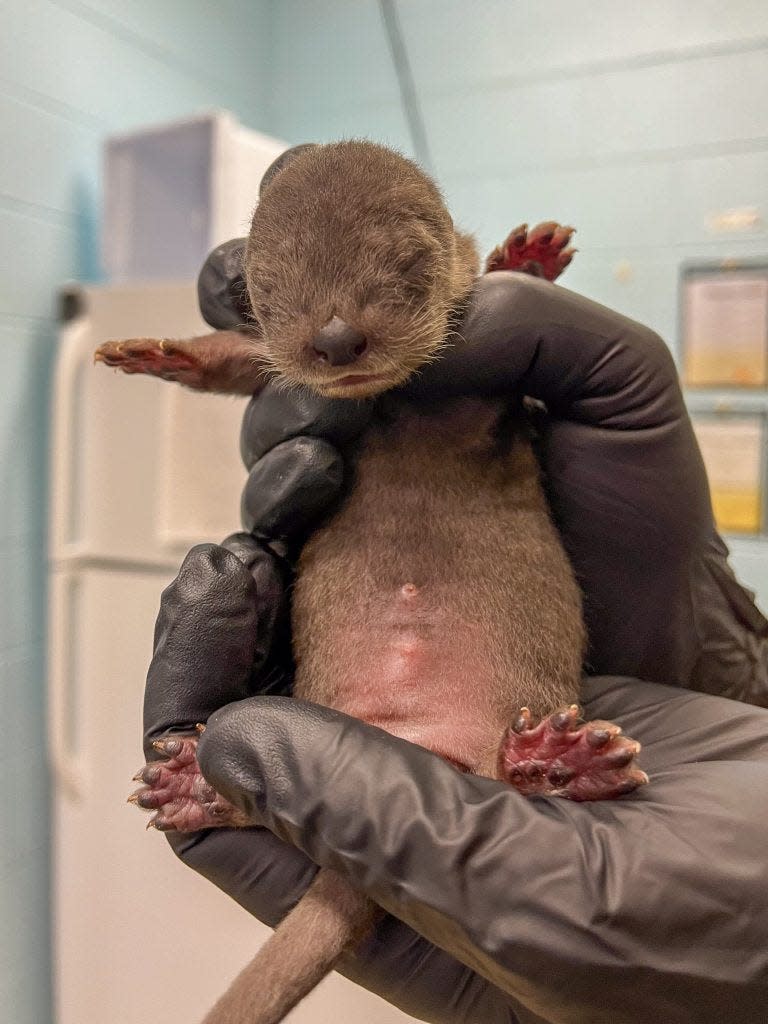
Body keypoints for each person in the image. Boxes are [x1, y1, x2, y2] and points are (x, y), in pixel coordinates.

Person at [143, 242, 768, 1023]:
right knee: (304, 742)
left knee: (286, 748)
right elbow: (248, 358)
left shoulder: (478, 348)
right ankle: (522, 772)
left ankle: (503, 774)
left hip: (466, 710)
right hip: (382, 713)